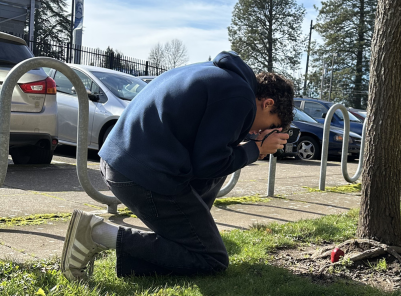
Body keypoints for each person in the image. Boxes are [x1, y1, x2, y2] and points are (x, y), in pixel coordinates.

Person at [60, 51, 293, 280]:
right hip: (141, 172)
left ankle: (183, 238)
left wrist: (246, 146)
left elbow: (207, 156)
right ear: (267, 103)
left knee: (213, 191)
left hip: (123, 162)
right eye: (270, 125)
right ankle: (97, 234)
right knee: (212, 258)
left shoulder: (221, 77)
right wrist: (256, 149)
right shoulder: (240, 96)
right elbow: (210, 164)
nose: (260, 132)